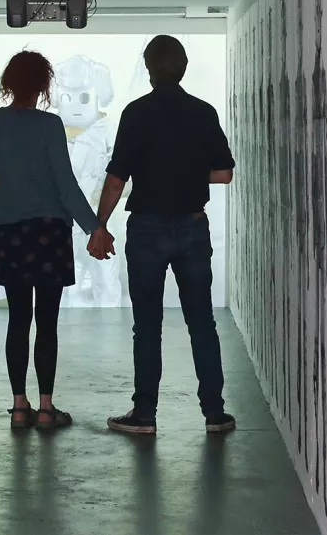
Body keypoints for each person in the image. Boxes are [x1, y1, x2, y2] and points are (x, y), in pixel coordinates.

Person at [89, 35, 237, 435]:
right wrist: (187, 173)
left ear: (151, 70)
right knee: (202, 322)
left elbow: (117, 177)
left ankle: (145, 415)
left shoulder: (136, 114)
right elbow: (223, 172)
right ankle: (215, 413)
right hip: (192, 226)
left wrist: (99, 225)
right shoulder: (203, 112)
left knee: (148, 324)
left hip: (148, 229)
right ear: (183, 68)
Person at [0, 51, 113, 430]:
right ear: (43, 86)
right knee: (46, 322)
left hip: (11, 231)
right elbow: (65, 185)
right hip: (49, 232)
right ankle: (47, 409)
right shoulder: (50, 125)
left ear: (9, 84)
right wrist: (94, 228)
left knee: (18, 319)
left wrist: (12, 172)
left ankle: (19, 407)